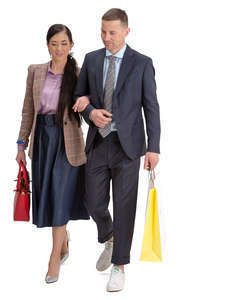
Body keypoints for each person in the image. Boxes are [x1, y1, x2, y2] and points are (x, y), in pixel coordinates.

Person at [73, 8, 161, 292]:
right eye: (103, 32)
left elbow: (151, 107)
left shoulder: (142, 63)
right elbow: (79, 95)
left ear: (126, 31)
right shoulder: (92, 59)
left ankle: (119, 266)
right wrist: (90, 112)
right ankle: (109, 238)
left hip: (128, 147)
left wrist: (153, 148)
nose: (106, 38)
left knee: (124, 208)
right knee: (93, 202)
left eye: (112, 33)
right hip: (98, 143)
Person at [16, 24, 89, 284]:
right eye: (54, 43)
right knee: (50, 195)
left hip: (67, 141)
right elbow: (28, 109)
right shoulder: (35, 72)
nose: (59, 48)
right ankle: (64, 242)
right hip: (43, 141)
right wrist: (21, 145)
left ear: (71, 46)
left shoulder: (80, 74)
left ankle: (54, 256)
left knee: (60, 195)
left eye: (64, 43)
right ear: (47, 44)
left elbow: (87, 111)